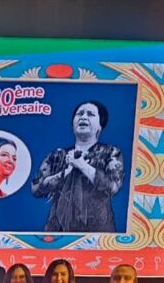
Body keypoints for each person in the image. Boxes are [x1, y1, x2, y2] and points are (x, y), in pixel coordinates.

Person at [31, 100, 124, 233]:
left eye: (90, 114)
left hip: (98, 233)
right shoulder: (57, 155)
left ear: (100, 126)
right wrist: (63, 174)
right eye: (79, 114)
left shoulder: (111, 152)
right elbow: (35, 189)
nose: (83, 117)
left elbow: (113, 187)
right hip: (58, 233)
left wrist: (82, 165)